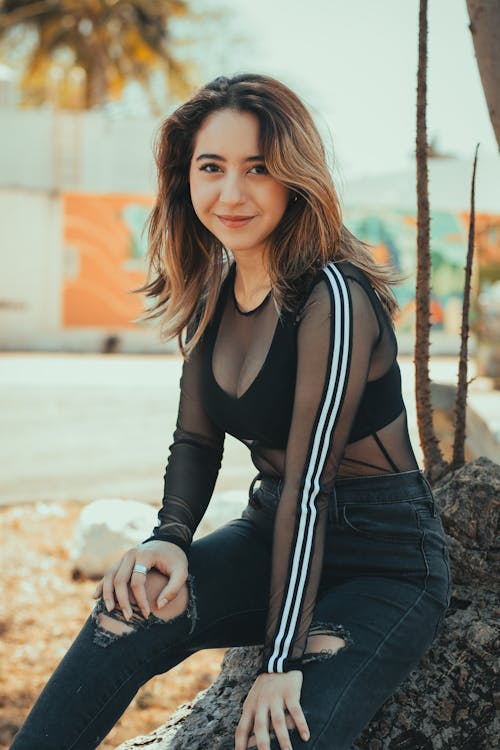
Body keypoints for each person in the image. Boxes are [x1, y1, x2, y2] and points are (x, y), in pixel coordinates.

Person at [11, 73, 451, 750]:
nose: (232, 193)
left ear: (293, 178)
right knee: (124, 615)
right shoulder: (215, 291)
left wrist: (278, 662)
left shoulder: (333, 296)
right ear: (185, 177)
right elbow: (195, 439)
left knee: (282, 731)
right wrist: (169, 537)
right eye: (211, 168)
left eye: (258, 169)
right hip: (269, 528)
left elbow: (312, 487)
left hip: (383, 560)